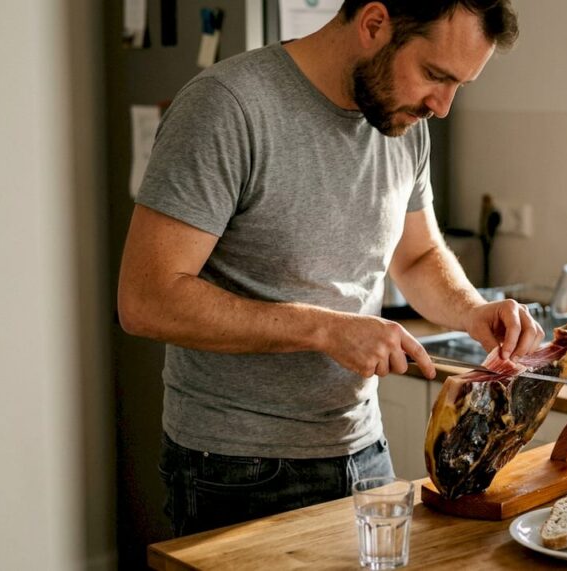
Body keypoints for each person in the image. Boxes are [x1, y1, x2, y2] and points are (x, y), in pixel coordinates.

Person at [118, 0, 538, 536]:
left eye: (459, 85)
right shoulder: (228, 107)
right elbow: (146, 299)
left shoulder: (405, 125)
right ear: (373, 24)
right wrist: (326, 328)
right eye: (434, 75)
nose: (443, 105)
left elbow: (417, 256)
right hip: (235, 468)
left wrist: (473, 311)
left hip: (364, 453)